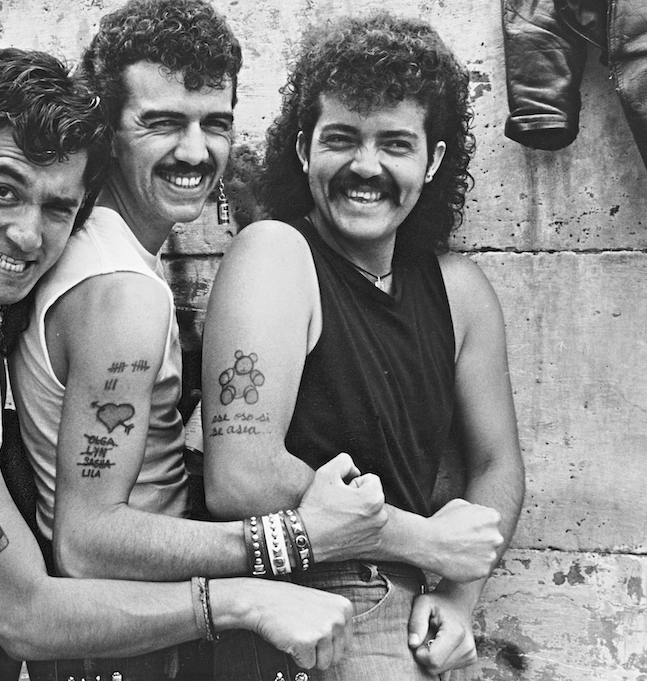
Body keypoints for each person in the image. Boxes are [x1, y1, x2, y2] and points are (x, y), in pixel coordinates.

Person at [0, 47, 355, 681]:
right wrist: (260, 583)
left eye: (56, 208)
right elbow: (23, 613)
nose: (28, 235)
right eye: (3, 191)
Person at [9, 2, 388, 679]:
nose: (194, 151)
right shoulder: (123, 291)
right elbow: (88, 540)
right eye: (161, 123)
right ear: (108, 131)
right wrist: (296, 537)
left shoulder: (109, 253)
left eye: (214, 123)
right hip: (119, 649)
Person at [202, 13, 526, 681]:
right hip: (314, 602)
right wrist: (426, 539)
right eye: (341, 139)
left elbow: (497, 462)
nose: (365, 166)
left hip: (420, 619)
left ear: (432, 161)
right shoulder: (276, 254)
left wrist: (459, 598)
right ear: (302, 149)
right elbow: (239, 474)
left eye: (395, 144)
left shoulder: (458, 289)